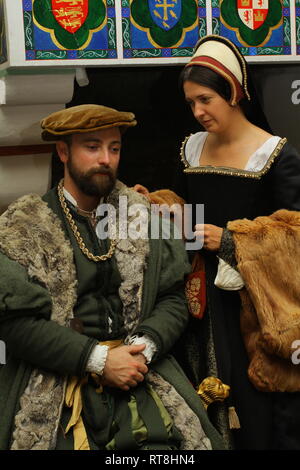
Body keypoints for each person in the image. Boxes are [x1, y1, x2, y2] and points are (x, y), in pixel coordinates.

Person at [0, 104, 224, 451]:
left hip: (139, 372)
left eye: (114, 148)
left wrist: (144, 348)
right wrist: (99, 361)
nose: (106, 158)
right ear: (63, 151)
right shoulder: (25, 227)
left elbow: (172, 298)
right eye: (92, 147)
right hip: (58, 382)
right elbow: (16, 325)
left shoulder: (141, 217)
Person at [173, 34, 300, 450]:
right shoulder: (191, 150)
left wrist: (230, 241)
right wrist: (166, 211)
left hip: (253, 306)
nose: (198, 112)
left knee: (257, 411)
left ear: (233, 91)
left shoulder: (276, 155)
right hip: (198, 296)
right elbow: (190, 208)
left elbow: (294, 238)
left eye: (206, 99)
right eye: (191, 102)